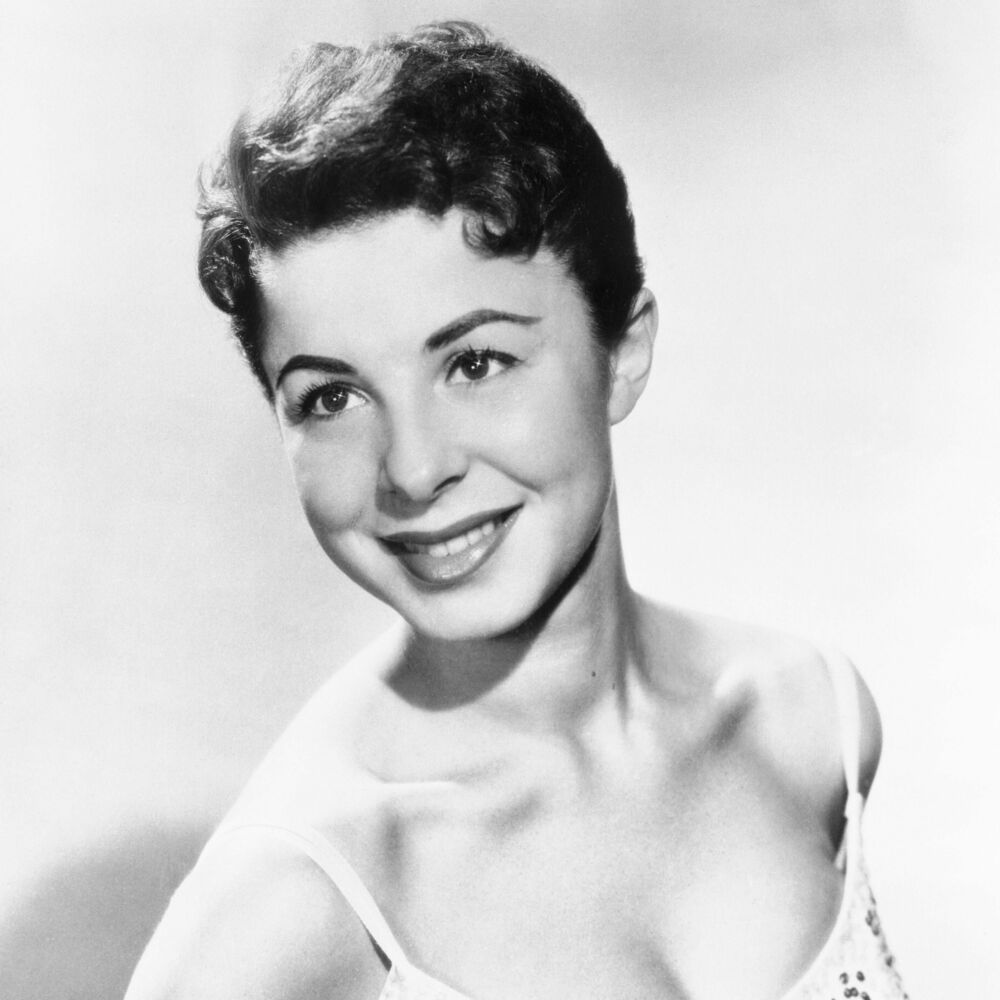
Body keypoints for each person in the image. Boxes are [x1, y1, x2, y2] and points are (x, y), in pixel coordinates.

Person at [126, 21, 909, 1000]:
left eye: (475, 362)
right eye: (332, 397)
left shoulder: (806, 719)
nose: (413, 469)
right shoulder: (306, 889)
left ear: (621, 353)